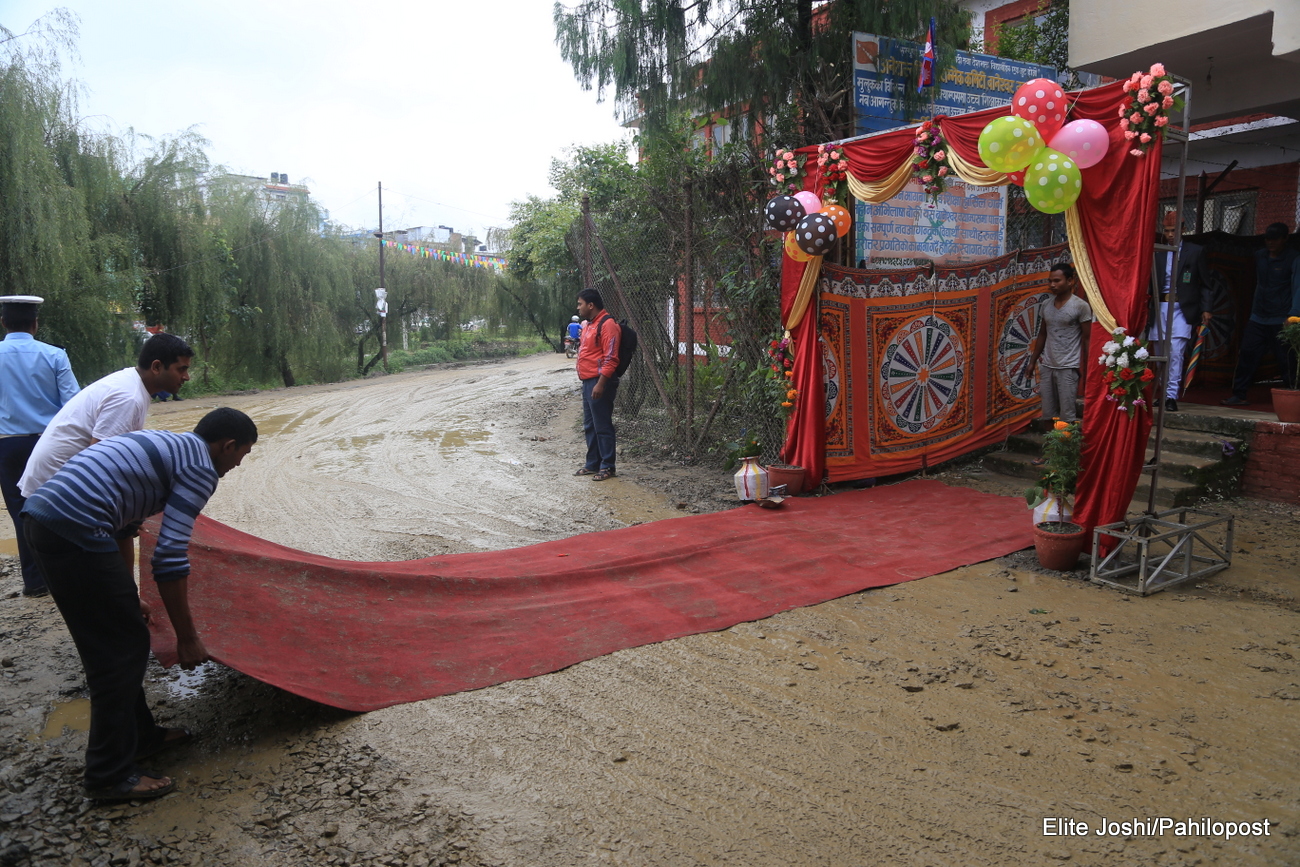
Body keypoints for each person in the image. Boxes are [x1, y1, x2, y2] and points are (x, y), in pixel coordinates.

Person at [21, 407, 257, 802]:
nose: (238, 464)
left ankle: (141, 737)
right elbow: (169, 558)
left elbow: (123, 527)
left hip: (46, 521)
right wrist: (187, 638)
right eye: (242, 454)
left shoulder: (174, 445)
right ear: (227, 445)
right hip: (75, 527)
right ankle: (108, 775)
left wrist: (129, 596)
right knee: (118, 650)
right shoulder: (200, 468)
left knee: (119, 634)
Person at [19, 332, 192, 500]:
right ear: (156, 367)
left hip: (61, 481)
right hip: (54, 488)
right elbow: (100, 463)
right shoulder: (128, 397)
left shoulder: (132, 384)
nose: (186, 377)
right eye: (181, 369)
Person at [0, 295, 80, 596]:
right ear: (35, 323)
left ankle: (35, 582)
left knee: (22, 512)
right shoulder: (55, 355)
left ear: (3, 322)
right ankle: (66, 575)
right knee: (59, 507)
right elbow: (73, 405)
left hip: (6, 447)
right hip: (50, 445)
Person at [1223, 223, 1299, 405]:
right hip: (1258, 316)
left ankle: (1292, 396)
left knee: (1286, 359)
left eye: (1275, 239)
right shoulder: (1259, 256)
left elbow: (1298, 287)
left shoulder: (1294, 258)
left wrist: (1293, 315)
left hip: (1282, 318)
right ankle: (1239, 394)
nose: (1270, 242)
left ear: (1285, 239)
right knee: (1247, 354)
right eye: (1267, 239)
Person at [1149, 211, 1213, 412]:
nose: (1169, 234)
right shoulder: (1157, 252)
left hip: (1182, 308)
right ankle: (1161, 392)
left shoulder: (1195, 251)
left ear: (1183, 230)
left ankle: (1170, 396)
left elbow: (1205, 284)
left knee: (1175, 353)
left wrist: (1207, 309)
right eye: (1166, 231)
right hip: (1160, 307)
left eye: (1173, 230)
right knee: (1159, 355)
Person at [1028, 262, 1093, 430]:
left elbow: (1087, 338)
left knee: (1067, 416)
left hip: (1068, 367)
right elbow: (1042, 334)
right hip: (1047, 365)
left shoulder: (1080, 306)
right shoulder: (1047, 305)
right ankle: (1049, 452)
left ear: (1070, 281)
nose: (1052, 285)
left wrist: (1089, 368)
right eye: (1050, 281)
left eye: (1057, 281)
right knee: (1048, 414)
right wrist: (1032, 361)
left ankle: (1064, 453)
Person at [574, 288, 621, 481]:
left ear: (590, 305)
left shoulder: (608, 325)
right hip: (587, 381)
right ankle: (593, 463)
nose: (578, 307)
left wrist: (600, 384)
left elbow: (611, 359)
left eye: (580, 304)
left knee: (602, 425)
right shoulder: (589, 325)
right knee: (589, 425)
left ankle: (608, 466)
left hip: (599, 382)